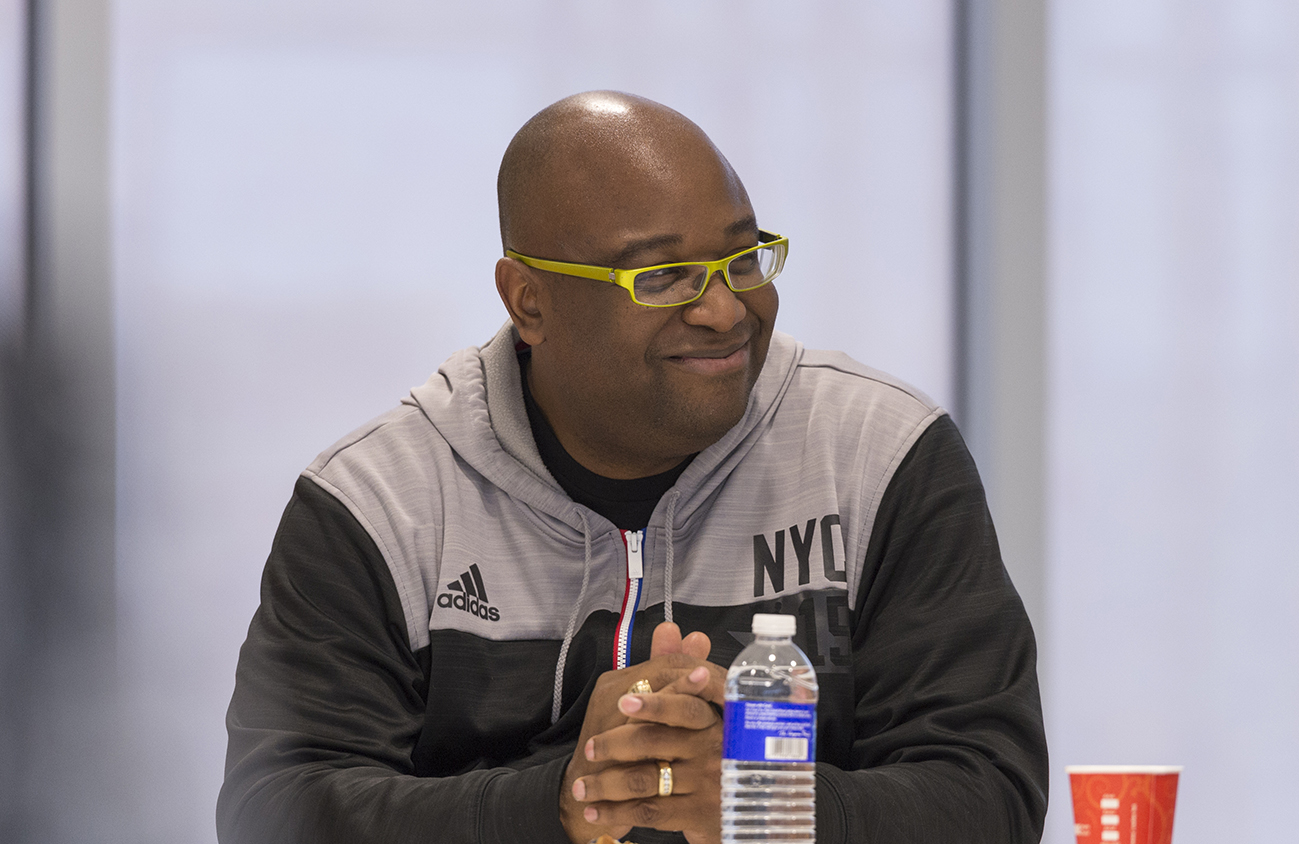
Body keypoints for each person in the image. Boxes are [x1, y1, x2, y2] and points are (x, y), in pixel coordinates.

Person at [217, 91, 1048, 844]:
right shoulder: (379, 501)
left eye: (743, 260)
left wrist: (756, 806)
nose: (724, 310)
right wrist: (563, 803)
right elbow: (275, 811)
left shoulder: (878, 454)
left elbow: (990, 793)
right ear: (528, 301)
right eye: (663, 277)